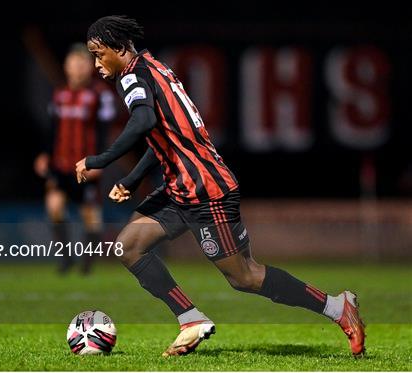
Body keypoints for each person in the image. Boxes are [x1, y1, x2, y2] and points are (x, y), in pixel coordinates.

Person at [76, 15, 365, 357]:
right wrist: (132, 178)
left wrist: (99, 160)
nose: (96, 64)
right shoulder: (155, 68)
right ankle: (190, 319)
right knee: (129, 245)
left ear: (121, 49)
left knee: (245, 276)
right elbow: (167, 135)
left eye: (99, 54)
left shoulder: (133, 77)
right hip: (181, 187)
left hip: (205, 191)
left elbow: (144, 120)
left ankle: (337, 307)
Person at [33, 42, 117, 274]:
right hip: (60, 164)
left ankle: (87, 264)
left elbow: (104, 131)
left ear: (89, 67)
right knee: (54, 206)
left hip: (85, 165)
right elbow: (53, 129)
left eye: (82, 63)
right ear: (66, 67)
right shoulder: (59, 94)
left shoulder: (99, 95)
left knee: (90, 216)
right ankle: (66, 258)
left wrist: (99, 160)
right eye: (73, 63)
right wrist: (44, 155)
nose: (77, 68)